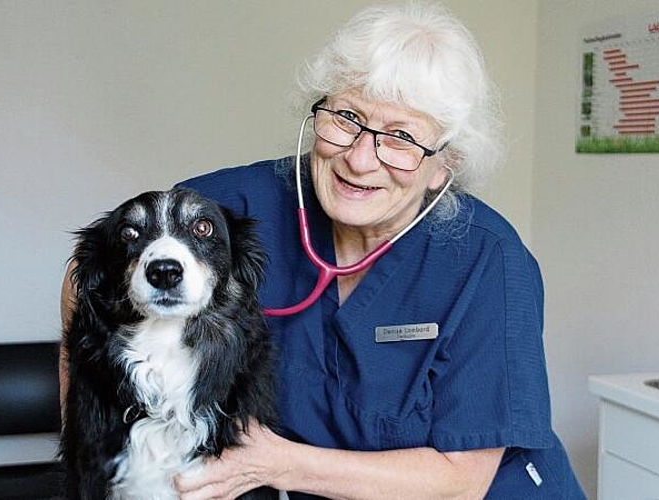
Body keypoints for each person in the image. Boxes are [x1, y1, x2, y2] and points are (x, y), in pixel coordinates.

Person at [60, 2, 587, 499]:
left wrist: (274, 464)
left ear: (443, 166)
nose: (360, 159)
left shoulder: (486, 260)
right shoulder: (241, 206)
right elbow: (95, 270)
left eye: (401, 137)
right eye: (348, 118)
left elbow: (461, 479)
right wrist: (95, 436)